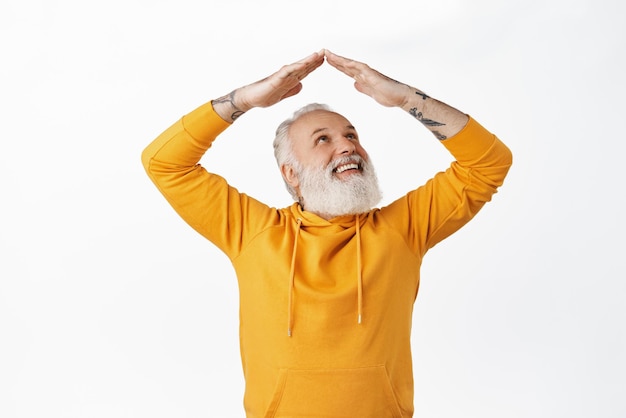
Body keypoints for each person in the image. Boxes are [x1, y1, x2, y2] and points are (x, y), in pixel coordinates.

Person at [142, 49, 512, 418]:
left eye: (351, 135)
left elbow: (489, 163)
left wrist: (405, 98)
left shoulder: (404, 229)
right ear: (291, 173)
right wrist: (245, 100)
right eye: (323, 139)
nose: (348, 145)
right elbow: (163, 163)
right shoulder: (252, 232)